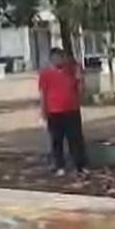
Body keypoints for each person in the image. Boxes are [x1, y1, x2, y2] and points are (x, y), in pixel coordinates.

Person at [38, 47, 89, 176]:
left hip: (72, 110)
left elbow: (81, 92)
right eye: (55, 58)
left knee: (76, 139)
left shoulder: (71, 72)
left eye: (61, 57)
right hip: (54, 112)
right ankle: (59, 165)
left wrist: (80, 78)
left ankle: (80, 166)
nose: (58, 60)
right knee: (57, 140)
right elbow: (43, 95)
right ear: (51, 59)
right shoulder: (45, 74)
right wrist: (44, 113)